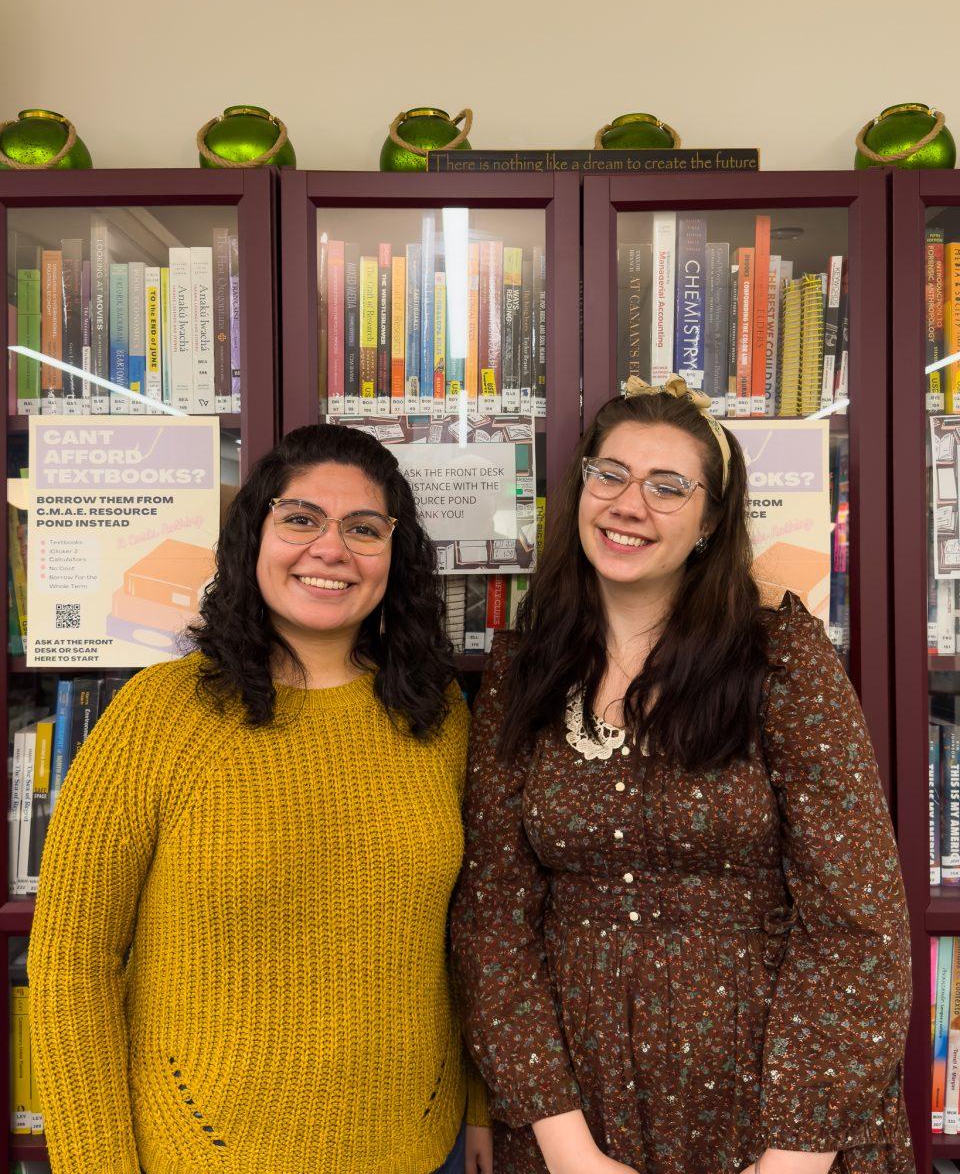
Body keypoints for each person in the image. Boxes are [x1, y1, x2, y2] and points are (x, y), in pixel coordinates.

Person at [451, 377, 913, 1174]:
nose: (630, 504)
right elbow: (493, 921)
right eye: (611, 474)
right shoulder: (522, 671)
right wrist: (568, 1150)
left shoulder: (780, 659)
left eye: (669, 487)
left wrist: (793, 1158)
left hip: (775, 1097)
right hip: (575, 1105)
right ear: (581, 489)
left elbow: (858, 920)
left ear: (709, 524)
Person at [29, 423, 493, 1174]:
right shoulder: (159, 715)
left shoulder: (435, 711)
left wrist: (475, 1105)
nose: (330, 548)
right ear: (254, 538)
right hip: (203, 1155)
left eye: (364, 528)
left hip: (419, 1147)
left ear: (394, 559)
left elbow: (466, 931)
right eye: (300, 518)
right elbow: (70, 962)